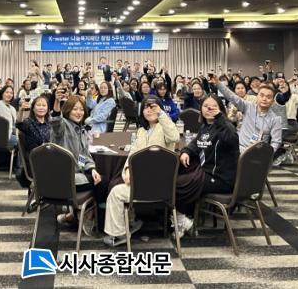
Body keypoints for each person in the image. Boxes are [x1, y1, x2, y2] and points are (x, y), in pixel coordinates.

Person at [103, 97, 179, 246]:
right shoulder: (142, 131)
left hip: (159, 186)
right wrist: (127, 171)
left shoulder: (164, 128)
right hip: (141, 184)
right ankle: (130, 223)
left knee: (115, 193)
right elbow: (132, 155)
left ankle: (119, 234)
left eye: (153, 107)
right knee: (116, 186)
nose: (149, 110)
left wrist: (161, 114)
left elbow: (174, 136)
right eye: (146, 107)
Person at [174, 94, 240, 237]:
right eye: (205, 106)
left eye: (214, 106)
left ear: (221, 109)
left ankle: (182, 220)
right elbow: (195, 143)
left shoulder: (226, 127)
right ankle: (185, 216)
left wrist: (220, 118)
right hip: (206, 172)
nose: (209, 109)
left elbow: (232, 139)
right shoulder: (205, 126)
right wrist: (186, 151)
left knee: (177, 184)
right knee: (177, 175)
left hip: (220, 178)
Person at [50, 95, 102, 231]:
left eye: (81, 109)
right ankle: (91, 217)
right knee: (104, 183)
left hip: (74, 174)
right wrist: (57, 103)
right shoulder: (63, 126)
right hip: (64, 177)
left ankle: (75, 215)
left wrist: (91, 169)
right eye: (75, 109)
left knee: (97, 177)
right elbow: (55, 121)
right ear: (67, 110)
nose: (79, 112)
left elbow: (81, 157)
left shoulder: (80, 129)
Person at [214, 79, 282, 155]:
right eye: (261, 95)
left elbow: (276, 142)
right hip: (239, 148)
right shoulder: (248, 107)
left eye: (268, 97)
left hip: (258, 153)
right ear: (257, 97)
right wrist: (218, 83)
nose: (264, 99)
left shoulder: (275, 119)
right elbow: (232, 97)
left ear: (272, 101)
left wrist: (266, 155)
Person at [15, 95, 51, 187]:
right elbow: (18, 124)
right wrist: (21, 110)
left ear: (48, 109)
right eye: (38, 105)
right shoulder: (29, 122)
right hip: (35, 161)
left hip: (50, 158)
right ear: (33, 108)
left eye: (44, 105)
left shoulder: (50, 123)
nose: (41, 108)